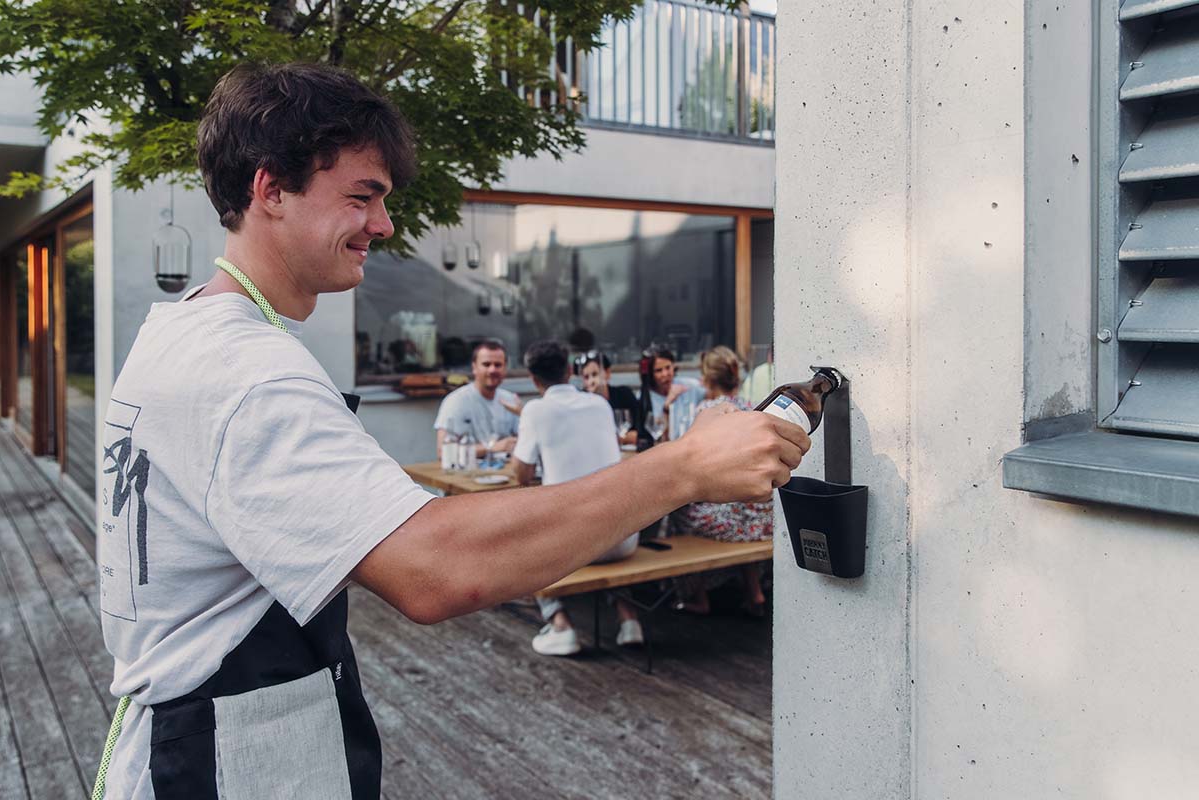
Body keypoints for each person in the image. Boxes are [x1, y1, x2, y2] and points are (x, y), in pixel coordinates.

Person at [93, 62, 809, 799]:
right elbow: (434, 569)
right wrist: (685, 467)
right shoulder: (248, 370)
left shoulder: (179, 332)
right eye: (362, 197)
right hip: (218, 762)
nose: (384, 224)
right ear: (270, 189)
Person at [513, 342, 643, 654]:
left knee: (524, 543)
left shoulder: (535, 410)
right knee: (605, 515)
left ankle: (559, 623)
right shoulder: (599, 405)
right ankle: (629, 619)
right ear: (570, 372)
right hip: (623, 540)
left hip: (573, 547)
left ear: (533, 379)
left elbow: (522, 475)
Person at [670, 347, 773, 617]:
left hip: (737, 521)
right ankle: (754, 594)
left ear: (707, 379)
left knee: (676, 512)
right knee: (734, 499)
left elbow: (695, 464)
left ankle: (698, 596)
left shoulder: (709, 411)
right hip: (764, 518)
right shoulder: (751, 407)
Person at [433, 339, 520, 460]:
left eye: (498, 365)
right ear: (474, 367)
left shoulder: (510, 400)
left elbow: (524, 443)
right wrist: (490, 447)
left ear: (505, 368)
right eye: (486, 364)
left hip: (506, 474)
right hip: (466, 475)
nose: (492, 370)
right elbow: (443, 453)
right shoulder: (456, 401)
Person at [574, 350, 640, 446]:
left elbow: (639, 434)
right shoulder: (580, 403)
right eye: (586, 377)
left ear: (607, 373)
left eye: (595, 374)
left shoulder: (624, 394)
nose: (591, 381)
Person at [644, 344, 700, 420]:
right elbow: (654, 429)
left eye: (668, 367)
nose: (665, 374)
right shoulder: (644, 398)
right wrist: (668, 404)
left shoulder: (689, 385)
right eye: (658, 370)